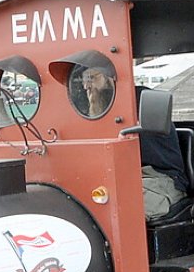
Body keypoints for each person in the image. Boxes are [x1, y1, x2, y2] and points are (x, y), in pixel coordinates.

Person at [79, 62, 184, 219]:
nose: (86, 86)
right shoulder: (95, 111)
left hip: (160, 177)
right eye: (83, 80)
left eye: (91, 78)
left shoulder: (140, 99)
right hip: (122, 177)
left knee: (122, 205)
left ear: (108, 77)